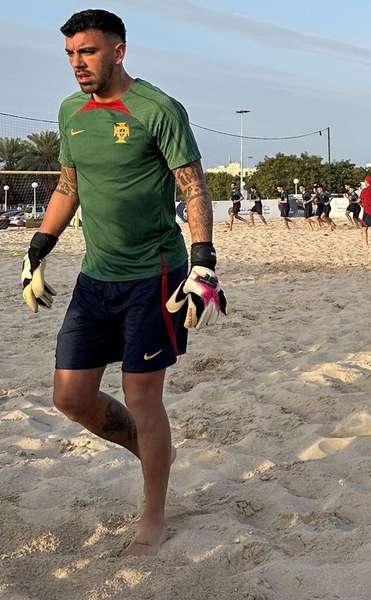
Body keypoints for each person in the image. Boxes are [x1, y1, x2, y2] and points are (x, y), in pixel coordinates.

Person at [20, 9, 226, 555]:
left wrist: (203, 259)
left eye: (87, 52)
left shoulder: (156, 109)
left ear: (118, 51)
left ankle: (154, 513)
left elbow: (193, 187)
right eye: (69, 54)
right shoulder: (71, 112)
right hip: (97, 276)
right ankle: (151, 451)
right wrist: (39, 246)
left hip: (153, 276)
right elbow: (69, 185)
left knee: (142, 396)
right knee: (71, 395)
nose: (77, 64)